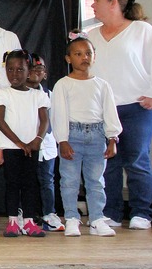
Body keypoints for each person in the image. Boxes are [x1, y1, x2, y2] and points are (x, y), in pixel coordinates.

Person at [87, 0, 152, 230]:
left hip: (138, 107)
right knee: (108, 163)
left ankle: (142, 213)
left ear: (114, 3)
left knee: (136, 159)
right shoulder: (91, 36)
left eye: (97, 0)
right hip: (104, 110)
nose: (92, 5)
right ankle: (111, 212)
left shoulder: (142, 30)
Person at [51, 35, 121, 238]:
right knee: (69, 180)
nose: (84, 57)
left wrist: (112, 138)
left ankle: (97, 219)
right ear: (68, 58)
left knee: (96, 181)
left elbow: (110, 112)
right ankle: (72, 218)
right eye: (78, 54)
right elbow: (59, 114)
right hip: (72, 136)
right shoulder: (63, 84)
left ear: (94, 56)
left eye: (88, 53)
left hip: (97, 137)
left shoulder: (102, 85)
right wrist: (62, 140)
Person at [0, 51, 48, 238]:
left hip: (32, 147)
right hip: (11, 147)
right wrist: (18, 142)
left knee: (30, 184)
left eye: (20, 69)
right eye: (10, 70)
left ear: (29, 70)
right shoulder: (2, 93)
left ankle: (29, 222)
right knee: (12, 184)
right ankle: (13, 222)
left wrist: (37, 140)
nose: (14, 74)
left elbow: (44, 120)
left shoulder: (38, 95)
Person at [27, 55, 63, 231]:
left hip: (46, 146)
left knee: (47, 180)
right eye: (31, 68)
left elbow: (56, 119)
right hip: (25, 144)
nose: (35, 72)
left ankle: (49, 213)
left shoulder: (50, 95)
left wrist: (60, 140)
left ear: (45, 74)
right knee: (25, 181)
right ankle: (25, 214)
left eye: (39, 69)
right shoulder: (17, 94)